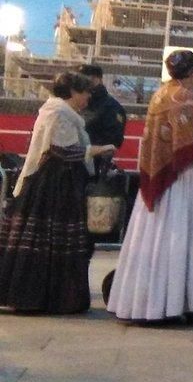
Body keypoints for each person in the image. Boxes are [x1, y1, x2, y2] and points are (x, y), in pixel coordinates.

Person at [106, 50, 193, 322]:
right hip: (191, 179)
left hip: (162, 178)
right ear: (192, 72)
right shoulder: (190, 99)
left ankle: (151, 304)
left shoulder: (160, 95)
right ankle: (191, 302)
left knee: (155, 239)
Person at [0, 72, 116, 313]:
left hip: (56, 182)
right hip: (53, 184)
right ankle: (46, 297)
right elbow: (63, 151)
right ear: (73, 92)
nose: (87, 97)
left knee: (45, 241)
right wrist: (100, 149)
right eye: (85, 92)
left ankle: (40, 297)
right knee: (53, 241)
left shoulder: (59, 112)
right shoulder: (58, 114)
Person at [78, 64, 127, 170]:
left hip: (93, 164)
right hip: (73, 161)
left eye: (85, 79)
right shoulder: (76, 101)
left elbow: (114, 140)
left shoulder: (112, 107)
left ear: (97, 79)